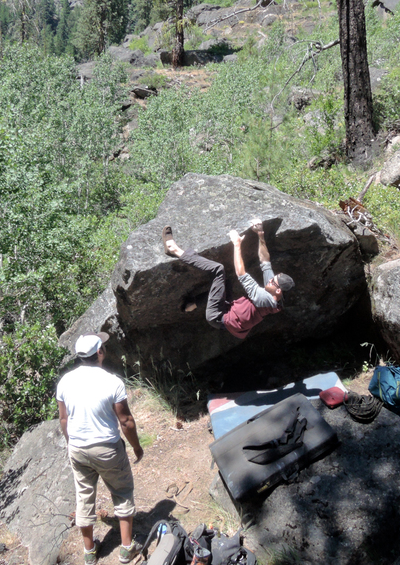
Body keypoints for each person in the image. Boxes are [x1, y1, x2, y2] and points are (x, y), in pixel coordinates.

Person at [56, 332, 144, 565]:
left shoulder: (65, 382)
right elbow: (125, 421)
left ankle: (89, 552)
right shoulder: (112, 381)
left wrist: (71, 442)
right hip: (107, 447)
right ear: (99, 353)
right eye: (102, 346)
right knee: (122, 490)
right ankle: (126, 549)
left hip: (77, 448)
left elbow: (63, 420)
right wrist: (136, 447)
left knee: (84, 496)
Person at [162, 219, 295, 339]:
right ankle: (192, 305)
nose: (270, 280)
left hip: (217, 316)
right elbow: (265, 261)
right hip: (229, 312)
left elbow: (241, 273)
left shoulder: (263, 299)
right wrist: (260, 233)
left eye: (273, 281)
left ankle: (174, 249)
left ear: (278, 291)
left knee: (218, 270)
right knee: (226, 284)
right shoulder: (276, 295)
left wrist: (237, 244)